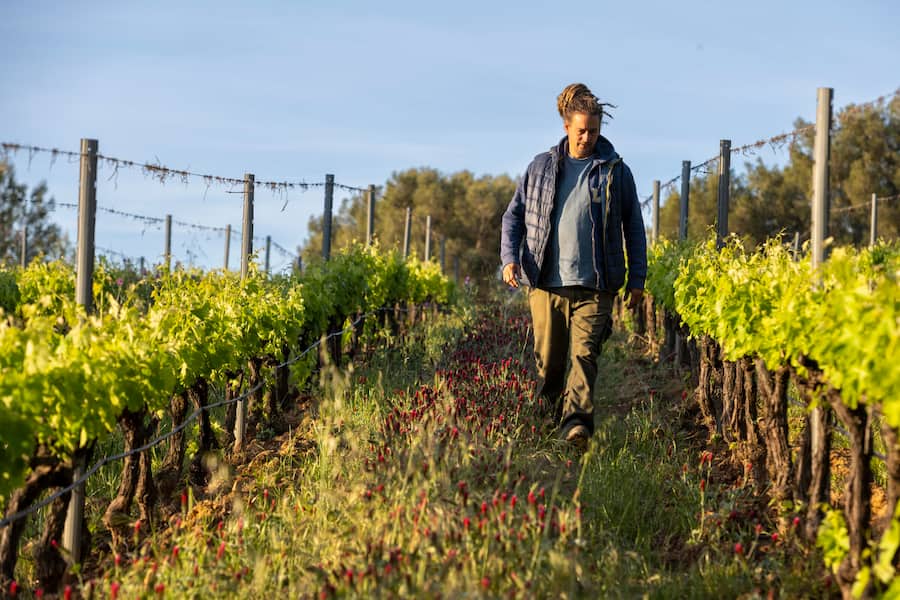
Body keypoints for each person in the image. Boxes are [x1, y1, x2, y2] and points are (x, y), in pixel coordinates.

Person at [500, 83, 647, 447]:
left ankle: (576, 425)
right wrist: (509, 259)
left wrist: (637, 278)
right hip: (547, 283)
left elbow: (634, 227)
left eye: (593, 131)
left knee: (584, 356)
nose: (587, 137)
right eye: (581, 130)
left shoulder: (615, 171)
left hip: (596, 286)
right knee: (549, 364)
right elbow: (513, 217)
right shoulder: (541, 168)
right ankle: (547, 420)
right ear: (566, 126)